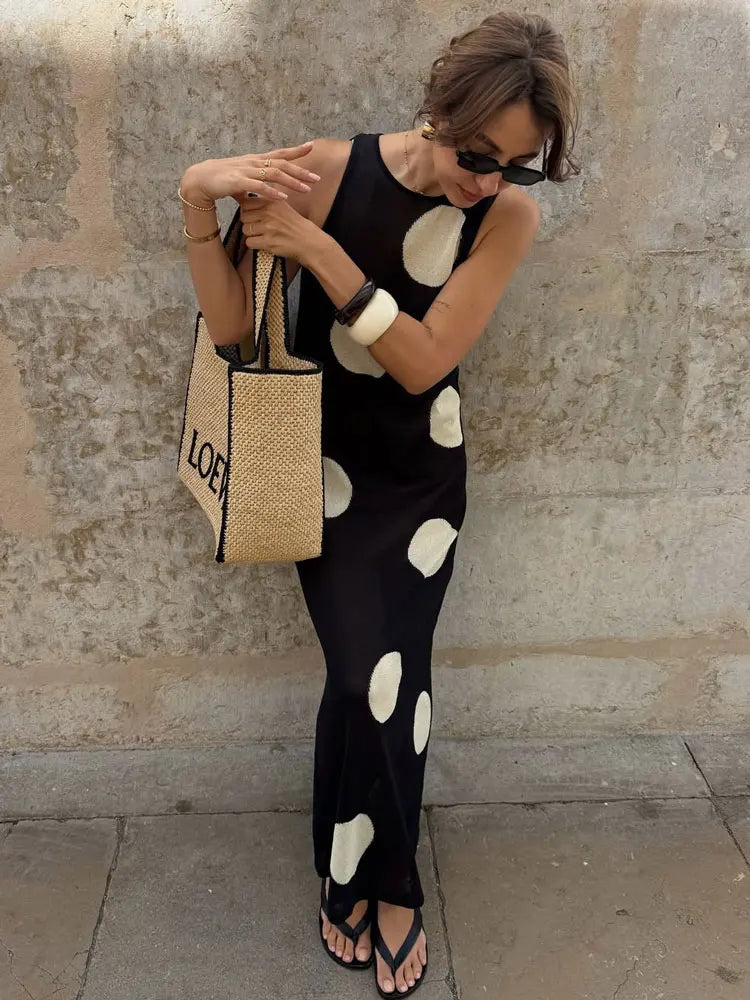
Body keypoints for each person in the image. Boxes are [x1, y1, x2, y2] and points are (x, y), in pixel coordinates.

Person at [179, 10, 580, 995]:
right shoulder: (318, 170)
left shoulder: (507, 218)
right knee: (367, 679)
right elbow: (233, 329)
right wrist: (199, 198)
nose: (487, 183)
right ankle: (362, 866)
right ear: (439, 108)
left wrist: (324, 255)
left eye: (515, 168)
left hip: (422, 481)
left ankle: (379, 882)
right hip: (318, 475)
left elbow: (425, 361)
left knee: (383, 677)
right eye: (480, 155)